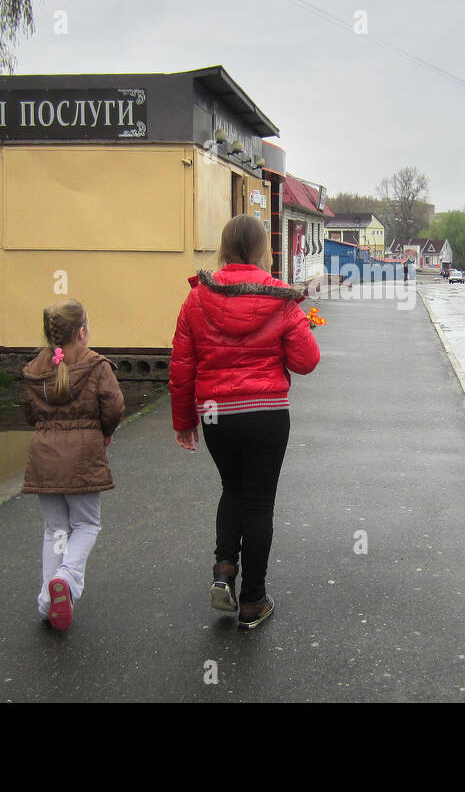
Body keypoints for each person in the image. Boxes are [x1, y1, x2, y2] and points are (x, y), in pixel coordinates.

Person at [170, 215, 321, 629]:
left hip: (218, 414)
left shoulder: (197, 298)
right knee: (259, 503)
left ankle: (224, 568)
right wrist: (297, 323)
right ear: (262, 252)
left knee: (232, 488)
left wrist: (184, 421)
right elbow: (306, 362)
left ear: (223, 250)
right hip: (267, 412)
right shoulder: (281, 298)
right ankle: (253, 600)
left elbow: (183, 364)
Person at [21, 299, 125, 631]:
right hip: (83, 457)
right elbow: (114, 406)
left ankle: (47, 602)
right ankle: (65, 580)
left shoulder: (35, 368)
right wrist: (104, 433)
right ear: (82, 332)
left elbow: (28, 413)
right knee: (86, 525)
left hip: (45, 457)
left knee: (55, 530)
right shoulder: (96, 366)